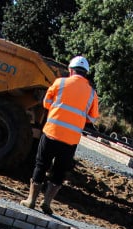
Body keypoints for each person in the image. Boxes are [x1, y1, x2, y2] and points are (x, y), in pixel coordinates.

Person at [23, 55, 99, 214]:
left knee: (41, 165)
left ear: (71, 70)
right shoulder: (92, 94)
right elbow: (92, 118)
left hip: (51, 132)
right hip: (71, 140)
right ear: (86, 73)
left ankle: (31, 200)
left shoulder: (60, 83)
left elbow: (46, 103)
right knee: (59, 171)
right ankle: (47, 203)